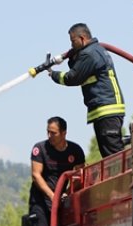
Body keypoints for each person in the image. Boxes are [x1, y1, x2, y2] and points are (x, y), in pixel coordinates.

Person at [47, 23, 127, 157]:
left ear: (82, 38)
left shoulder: (90, 54)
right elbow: (80, 70)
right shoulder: (93, 51)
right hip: (104, 110)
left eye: (73, 41)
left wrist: (53, 74)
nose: (71, 45)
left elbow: (72, 77)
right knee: (109, 156)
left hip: (107, 109)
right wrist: (72, 57)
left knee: (114, 157)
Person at [27, 117, 85, 226]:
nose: (50, 135)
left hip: (62, 201)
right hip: (41, 201)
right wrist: (53, 195)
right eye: (48, 132)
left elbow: (79, 175)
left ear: (64, 133)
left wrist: (67, 193)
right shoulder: (40, 149)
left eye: (53, 132)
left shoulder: (75, 151)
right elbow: (36, 175)